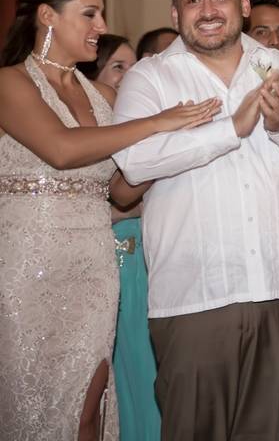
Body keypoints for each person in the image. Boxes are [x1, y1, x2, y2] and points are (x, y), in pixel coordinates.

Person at [112, 0, 279, 440]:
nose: (208, 10)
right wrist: (232, 128)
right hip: (194, 292)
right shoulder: (150, 77)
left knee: (265, 432)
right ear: (175, 13)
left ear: (242, 4)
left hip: (276, 284)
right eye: (192, 0)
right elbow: (135, 161)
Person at [0, 0, 220, 440]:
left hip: (95, 267)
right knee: (29, 405)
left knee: (88, 405)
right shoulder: (10, 83)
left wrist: (177, 146)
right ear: (47, 15)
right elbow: (60, 150)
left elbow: (120, 190)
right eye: (90, 14)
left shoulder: (99, 96)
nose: (101, 27)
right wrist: (158, 122)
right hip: (26, 265)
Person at [79, 34, 163, 441]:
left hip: (146, 258)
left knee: (146, 367)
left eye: (135, 67)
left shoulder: (138, 122)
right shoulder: (87, 125)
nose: (129, 76)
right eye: (119, 67)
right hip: (100, 257)